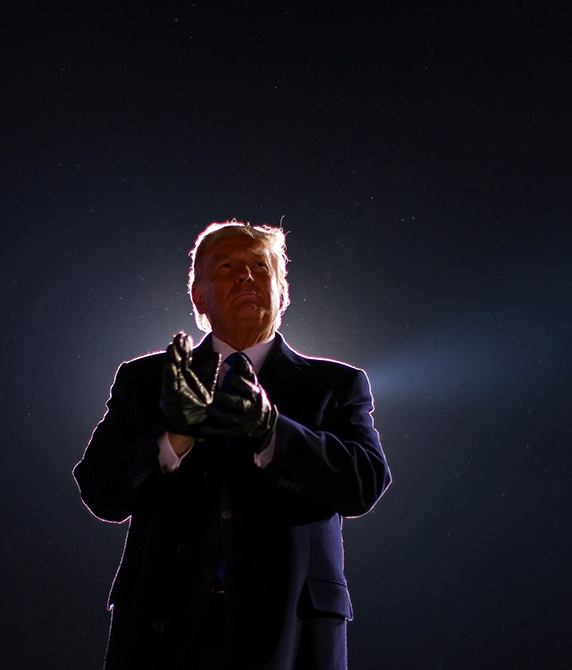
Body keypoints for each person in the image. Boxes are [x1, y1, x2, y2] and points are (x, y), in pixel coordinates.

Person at [74, 221, 390, 669]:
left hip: (291, 636)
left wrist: (272, 433)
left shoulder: (336, 385)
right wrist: (174, 436)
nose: (245, 276)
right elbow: (102, 492)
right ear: (198, 298)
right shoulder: (146, 381)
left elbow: (365, 484)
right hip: (163, 634)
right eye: (226, 266)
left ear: (282, 294)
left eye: (260, 266)